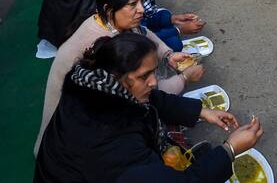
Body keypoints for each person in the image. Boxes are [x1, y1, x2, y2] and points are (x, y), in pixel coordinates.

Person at [35, 33, 262, 182]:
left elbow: (152, 98)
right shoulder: (111, 143)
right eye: (145, 76)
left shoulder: (95, 83)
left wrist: (202, 112)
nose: (154, 81)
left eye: (153, 71)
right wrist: (230, 149)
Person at [34, 0, 204, 155]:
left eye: (142, 1)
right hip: (72, 144)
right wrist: (185, 78)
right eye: (133, 4)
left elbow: (144, 32)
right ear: (109, 9)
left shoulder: (104, 20)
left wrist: (169, 54)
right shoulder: (107, 46)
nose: (141, 10)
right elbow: (152, 93)